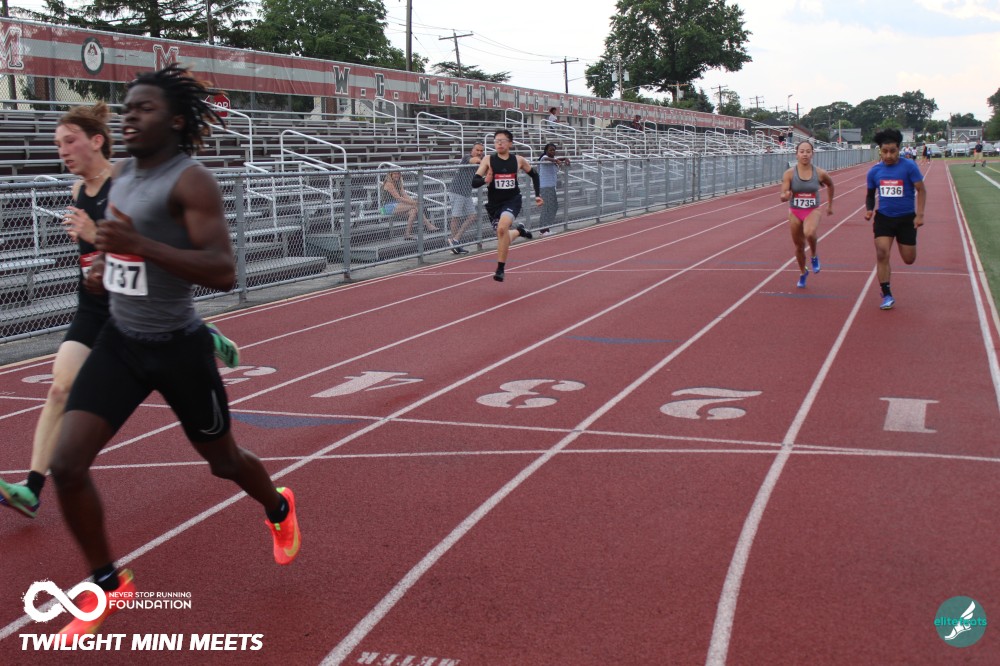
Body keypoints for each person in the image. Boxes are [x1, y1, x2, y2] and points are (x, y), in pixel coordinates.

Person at [46, 65, 301, 636]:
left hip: (179, 347)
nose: (130, 117)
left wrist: (139, 245)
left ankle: (278, 506)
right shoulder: (123, 176)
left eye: (145, 109)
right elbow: (119, 246)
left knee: (223, 462)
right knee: (66, 464)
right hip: (121, 340)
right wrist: (105, 266)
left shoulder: (191, 181)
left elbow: (222, 272)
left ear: (178, 121)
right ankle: (108, 584)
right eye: (127, 108)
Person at [0, 104, 240, 520]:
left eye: (69, 141)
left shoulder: (128, 183)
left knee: (207, 436)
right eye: (57, 144)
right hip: (93, 306)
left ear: (97, 141)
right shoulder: (77, 191)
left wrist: (94, 235)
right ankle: (32, 489)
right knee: (59, 388)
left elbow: (150, 251)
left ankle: (201, 333)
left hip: (135, 305)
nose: (62, 151)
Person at [864, 127, 926, 310]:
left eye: (892, 151)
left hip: (906, 219)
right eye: (884, 151)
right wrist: (869, 210)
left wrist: (920, 215)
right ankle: (886, 294)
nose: (888, 155)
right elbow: (870, 195)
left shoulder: (909, 167)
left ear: (899, 149)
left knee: (909, 259)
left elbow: (921, 190)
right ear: (880, 151)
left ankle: (906, 245)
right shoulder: (874, 172)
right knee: (882, 253)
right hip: (884, 218)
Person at [470, 129, 542, 282]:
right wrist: (485, 180)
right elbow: (474, 182)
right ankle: (519, 231)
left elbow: (534, 174)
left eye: (502, 141)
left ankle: (500, 269)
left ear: (510, 143)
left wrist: (538, 195)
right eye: (496, 141)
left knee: (502, 228)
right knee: (503, 235)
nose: (499, 143)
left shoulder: (518, 160)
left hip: (512, 201)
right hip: (494, 205)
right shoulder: (488, 159)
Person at [780, 141, 834, 288]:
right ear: (796, 154)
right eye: (802, 151)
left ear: (812, 154)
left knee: (809, 232)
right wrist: (786, 196)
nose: (805, 154)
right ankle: (803, 272)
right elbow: (782, 194)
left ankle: (814, 255)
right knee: (799, 246)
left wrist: (830, 205)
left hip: (812, 209)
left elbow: (830, 184)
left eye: (808, 151)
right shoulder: (789, 173)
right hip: (795, 211)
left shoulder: (820, 173)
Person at [446, 143, 484, 254]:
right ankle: (454, 243)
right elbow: (475, 160)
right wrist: (485, 162)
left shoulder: (481, 160)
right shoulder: (467, 157)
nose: (479, 152)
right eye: (477, 150)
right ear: (472, 150)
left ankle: (455, 240)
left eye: (481, 151)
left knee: (472, 216)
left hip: (467, 192)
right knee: (456, 217)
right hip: (457, 191)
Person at [382, 170, 437, 239]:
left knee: (413, 211)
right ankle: (428, 225)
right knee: (415, 205)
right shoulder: (389, 184)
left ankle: (407, 234)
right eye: (395, 174)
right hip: (385, 208)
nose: (397, 175)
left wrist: (413, 201)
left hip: (396, 205)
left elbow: (404, 195)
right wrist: (414, 203)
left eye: (398, 173)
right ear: (390, 175)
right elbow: (399, 198)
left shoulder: (398, 183)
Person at [538, 143, 570, 230]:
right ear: (546, 151)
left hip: (551, 187)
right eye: (550, 150)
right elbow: (547, 159)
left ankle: (546, 227)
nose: (553, 151)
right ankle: (543, 230)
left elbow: (558, 159)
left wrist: (565, 158)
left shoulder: (553, 160)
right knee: (547, 208)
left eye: (554, 150)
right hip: (545, 187)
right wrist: (556, 161)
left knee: (554, 207)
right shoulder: (544, 158)